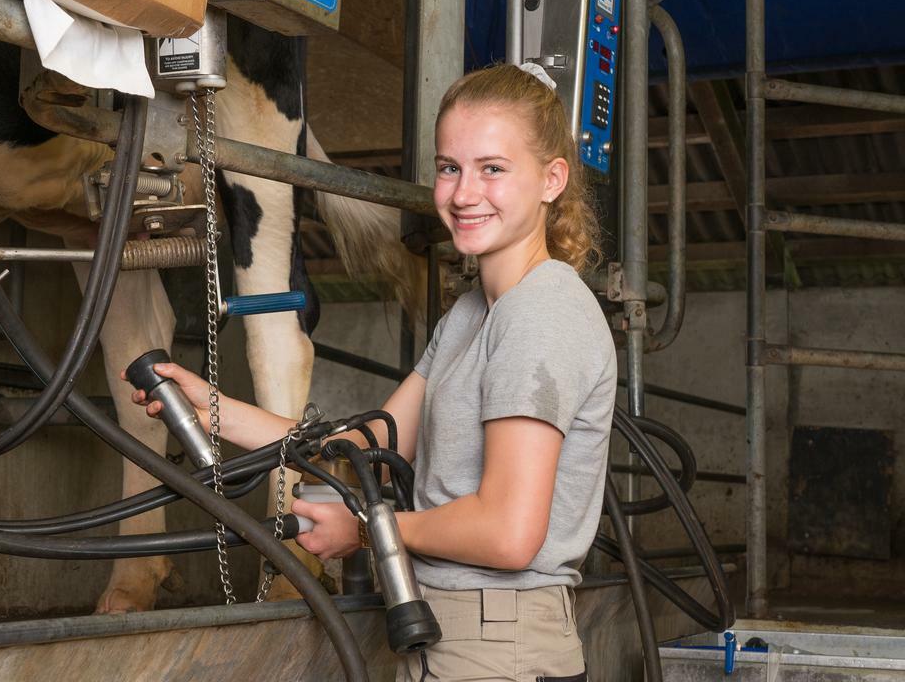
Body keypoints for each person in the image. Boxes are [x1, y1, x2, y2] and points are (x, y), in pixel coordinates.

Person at [129, 63, 617, 682]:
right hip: (447, 626)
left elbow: (508, 532)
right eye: (449, 168)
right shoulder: (473, 314)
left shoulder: (542, 312)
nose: (464, 194)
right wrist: (212, 409)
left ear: (552, 180)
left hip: (501, 643)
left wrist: (362, 530)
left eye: (493, 168)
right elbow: (369, 442)